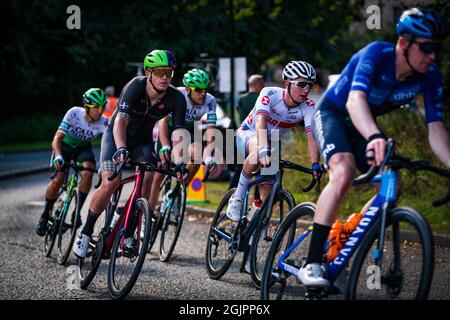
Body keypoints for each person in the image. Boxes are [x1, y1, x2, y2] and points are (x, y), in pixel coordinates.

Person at [299, 8, 450, 288]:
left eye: (436, 49)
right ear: (403, 43)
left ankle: (346, 232)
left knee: (394, 183)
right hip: (333, 113)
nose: (432, 56)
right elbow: (355, 100)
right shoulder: (377, 54)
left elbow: (436, 128)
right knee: (343, 172)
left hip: (362, 124)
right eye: (427, 47)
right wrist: (374, 136)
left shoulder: (429, 75)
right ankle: (312, 262)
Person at [72, 49, 188, 258]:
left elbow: (179, 132)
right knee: (110, 183)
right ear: (148, 72)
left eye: (169, 73)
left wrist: (180, 163)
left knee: (148, 178)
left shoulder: (176, 98)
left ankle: (128, 234)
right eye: (160, 71)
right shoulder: (136, 86)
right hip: (117, 137)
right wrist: (121, 147)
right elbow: (120, 121)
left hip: (142, 142)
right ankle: (86, 232)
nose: (164, 77)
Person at [226, 61, 323, 222]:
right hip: (249, 134)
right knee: (258, 151)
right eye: (301, 84)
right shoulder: (269, 93)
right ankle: (237, 197)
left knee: (268, 197)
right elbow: (261, 122)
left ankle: (252, 227)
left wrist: (315, 164)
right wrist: (263, 148)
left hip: (271, 145)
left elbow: (311, 135)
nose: (306, 90)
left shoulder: (308, 106)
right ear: (287, 83)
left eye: (310, 86)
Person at [35, 88, 109, 236]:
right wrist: (58, 156)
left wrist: (104, 166)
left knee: (88, 172)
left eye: (103, 106)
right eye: (96, 107)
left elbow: (107, 145)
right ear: (87, 106)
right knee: (58, 179)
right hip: (65, 147)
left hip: (82, 149)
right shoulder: (74, 113)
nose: (100, 111)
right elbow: (57, 138)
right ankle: (44, 216)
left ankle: (77, 211)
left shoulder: (104, 122)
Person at [149, 68, 218, 212]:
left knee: (197, 156)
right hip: (169, 128)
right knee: (160, 172)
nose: (203, 93)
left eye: (206, 89)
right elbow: (163, 121)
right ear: (187, 88)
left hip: (190, 129)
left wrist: (210, 155)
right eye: (198, 89)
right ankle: (147, 214)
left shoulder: (210, 101)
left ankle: (175, 194)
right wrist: (166, 146)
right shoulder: (177, 94)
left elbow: (211, 129)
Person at [229, 74, 265, 190]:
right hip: (263, 139)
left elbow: (237, 120)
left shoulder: (241, 99)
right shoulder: (264, 99)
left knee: (240, 169)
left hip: (243, 138)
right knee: (264, 172)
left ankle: (232, 195)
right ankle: (258, 202)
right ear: (259, 84)